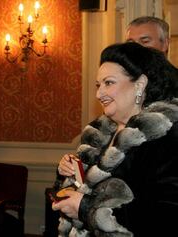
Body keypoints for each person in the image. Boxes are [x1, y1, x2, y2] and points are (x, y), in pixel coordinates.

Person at [52, 42, 178, 236]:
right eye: (98, 85)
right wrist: (68, 171)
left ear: (140, 84)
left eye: (108, 83)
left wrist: (87, 210)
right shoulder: (98, 132)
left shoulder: (164, 138)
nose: (99, 94)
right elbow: (80, 189)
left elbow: (164, 216)